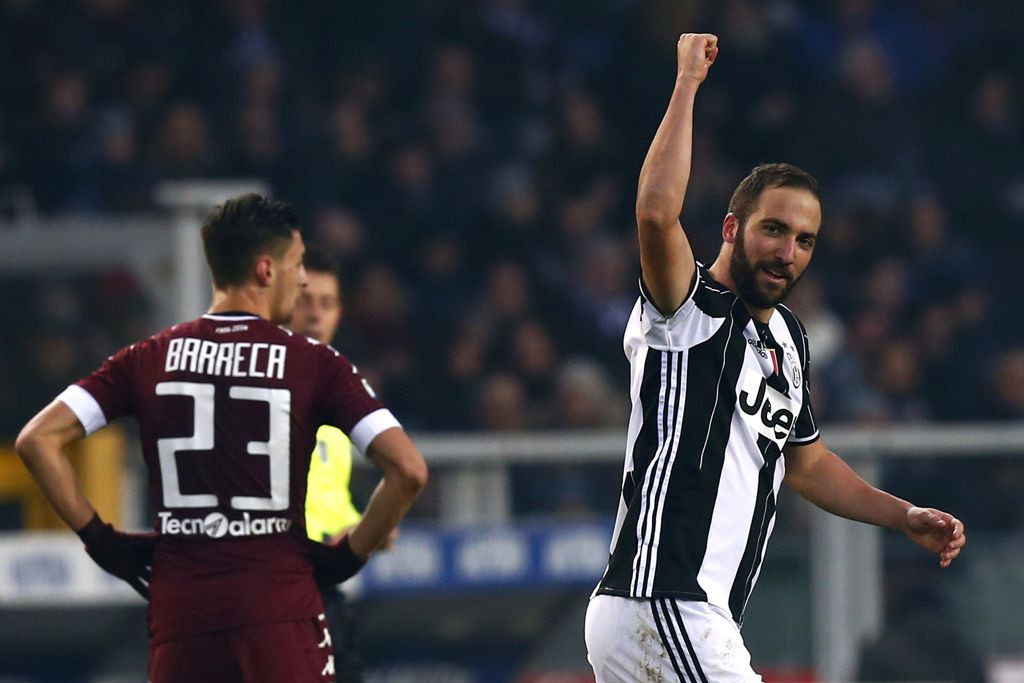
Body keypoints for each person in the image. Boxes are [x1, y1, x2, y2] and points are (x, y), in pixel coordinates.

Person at [583, 34, 966, 682]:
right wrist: (686, 85)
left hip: (693, 616)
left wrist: (901, 515)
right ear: (732, 228)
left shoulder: (787, 339)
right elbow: (654, 211)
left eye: (805, 239)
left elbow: (808, 462)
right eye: (774, 229)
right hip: (665, 599)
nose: (789, 251)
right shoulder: (689, 307)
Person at [15, 194, 428, 683]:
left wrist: (102, 542)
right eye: (297, 265)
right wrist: (349, 554)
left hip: (182, 615)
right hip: (279, 606)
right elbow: (408, 471)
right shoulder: (316, 364)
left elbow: (37, 439)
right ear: (265, 270)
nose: (301, 279)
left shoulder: (147, 357)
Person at [290, 249, 389, 682]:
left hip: (326, 591)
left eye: (326, 304)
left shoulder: (339, 387)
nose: (316, 314)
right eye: (305, 301)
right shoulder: (268, 386)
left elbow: (327, 501)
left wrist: (366, 525)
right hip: (283, 591)